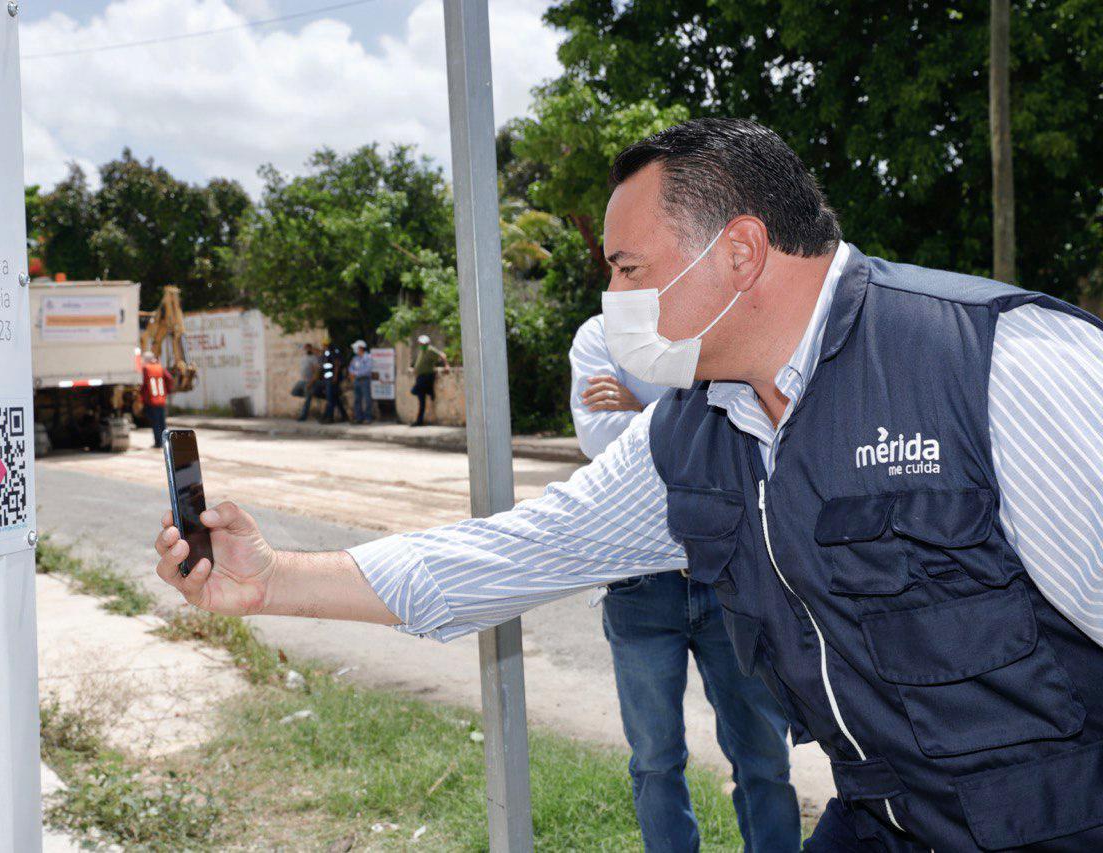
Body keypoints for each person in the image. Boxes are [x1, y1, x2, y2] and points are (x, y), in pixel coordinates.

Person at [151, 119, 1103, 851]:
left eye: (627, 268)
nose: (613, 301)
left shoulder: (998, 362)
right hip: (885, 816)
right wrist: (271, 578)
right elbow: (514, 552)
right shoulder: (695, 432)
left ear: (738, 251)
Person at [571, 314, 799, 851]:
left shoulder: (718, 319)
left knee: (764, 758)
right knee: (655, 760)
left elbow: (751, 432)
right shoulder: (600, 335)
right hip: (638, 585)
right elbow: (596, 439)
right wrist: (690, 414)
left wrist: (639, 408)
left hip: (728, 577)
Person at [409, 334, 450, 426]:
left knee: (416, 391)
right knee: (421, 398)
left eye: (423, 343)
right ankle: (430, 392)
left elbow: (442, 355)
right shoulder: (422, 351)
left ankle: (419, 420)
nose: (422, 345)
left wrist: (446, 365)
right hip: (421, 377)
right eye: (420, 343)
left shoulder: (430, 350)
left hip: (426, 376)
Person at [139, 351, 173, 448]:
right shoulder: (160, 367)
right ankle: (165, 442)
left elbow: (143, 384)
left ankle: (158, 442)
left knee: (155, 422)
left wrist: (140, 395)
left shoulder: (146, 368)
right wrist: (167, 391)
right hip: (161, 399)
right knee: (162, 422)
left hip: (151, 400)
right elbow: (169, 379)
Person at [320, 339, 349, 424]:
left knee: (330, 399)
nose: (323, 347)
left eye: (324, 345)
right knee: (335, 398)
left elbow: (336, 364)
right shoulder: (327, 353)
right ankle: (344, 415)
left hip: (331, 379)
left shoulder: (332, 353)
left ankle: (330, 418)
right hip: (330, 378)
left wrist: (335, 377)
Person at [349, 340, 375, 424]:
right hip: (356, 381)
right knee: (357, 399)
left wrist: (355, 374)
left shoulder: (368, 357)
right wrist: (352, 373)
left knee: (367, 399)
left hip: (365, 380)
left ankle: (368, 418)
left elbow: (367, 370)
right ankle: (358, 418)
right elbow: (351, 368)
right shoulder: (355, 358)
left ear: (360, 348)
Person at [296, 343, 321, 422]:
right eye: (306, 348)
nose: (307, 350)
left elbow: (316, 371)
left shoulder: (314, 358)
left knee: (308, 399)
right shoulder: (304, 357)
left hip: (310, 381)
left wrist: (312, 381)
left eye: (309, 348)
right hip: (303, 381)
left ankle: (303, 416)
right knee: (296, 392)